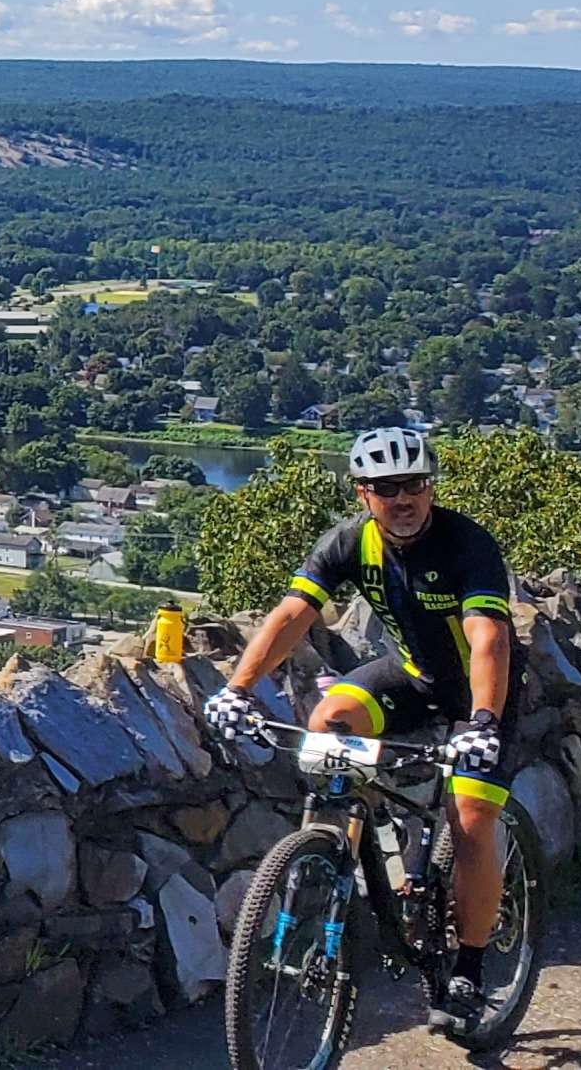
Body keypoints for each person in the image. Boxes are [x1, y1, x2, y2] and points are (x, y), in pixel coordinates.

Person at [202, 426, 517, 1036]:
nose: (404, 499)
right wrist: (236, 688)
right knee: (328, 725)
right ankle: (339, 862)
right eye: (387, 487)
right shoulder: (349, 542)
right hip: (414, 675)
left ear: (431, 487)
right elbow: (293, 614)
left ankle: (469, 972)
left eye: (416, 484)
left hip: (482, 694)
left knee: (472, 820)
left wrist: (482, 723)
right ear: (363, 493)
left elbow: (489, 638)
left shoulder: (465, 543)